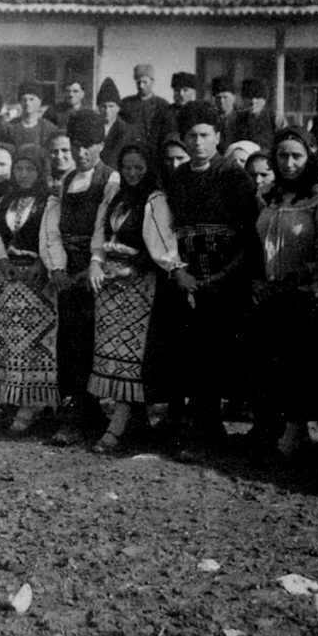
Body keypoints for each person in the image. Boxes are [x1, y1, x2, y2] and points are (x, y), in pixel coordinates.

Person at [157, 107, 260, 452]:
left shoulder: (234, 176)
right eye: (191, 136)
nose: (198, 142)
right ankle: (183, 424)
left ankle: (209, 430)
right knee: (185, 352)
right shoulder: (178, 176)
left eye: (204, 135)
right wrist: (179, 271)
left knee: (214, 355)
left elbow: (248, 236)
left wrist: (221, 277)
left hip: (225, 276)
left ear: (217, 136)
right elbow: (170, 228)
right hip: (186, 274)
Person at [86, 143, 179, 452]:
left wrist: (133, 268)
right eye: (127, 167)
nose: (133, 173)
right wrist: (96, 262)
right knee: (112, 355)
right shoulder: (116, 195)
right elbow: (100, 234)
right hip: (111, 284)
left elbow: (163, 247)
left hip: (140, 285)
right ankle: (132, 424)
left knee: (131, 358)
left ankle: (117, 427)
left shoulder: (155, 200)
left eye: (139, 167)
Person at [254, 128, 318, 459]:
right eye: (283, 156)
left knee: (297, 364)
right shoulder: (267, 196)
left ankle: (295, 430)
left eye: (297, 156)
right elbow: (255, 241)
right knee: (267, 362)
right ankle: (268, 428)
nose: (289, 163)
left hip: (301, 292)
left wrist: (306, 277)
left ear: (308, 158)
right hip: (267, 291)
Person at [0, 145, 62, 431]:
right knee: (6, 342)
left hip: (37, 281)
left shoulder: (49, 202)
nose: (23, 174)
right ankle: (5, 401)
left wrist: (42, 262)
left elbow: (52, 237)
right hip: (7, 279)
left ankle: (32, 405)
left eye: (30, 169)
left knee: (34, 344)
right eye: (19, 169)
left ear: (40, 172)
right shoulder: (5, 201)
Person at [44, 132, 114, 445]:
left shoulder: (110, 179)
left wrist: (95, 264)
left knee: (93, 342)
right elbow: (54, 228)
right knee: (69, 341)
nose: (81, 151)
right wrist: (58, 267)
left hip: (96, 270)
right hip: (69, 270)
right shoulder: (68, 179)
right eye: (77, 145)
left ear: (101, 145)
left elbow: (106, 225)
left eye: (88, 145)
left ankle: (93, 411)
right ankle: (73, 412)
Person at [1, 81, 57, 152]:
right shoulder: (10, 127)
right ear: (20, 102)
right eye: (24, 100)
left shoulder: (49, 128)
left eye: (31, 99)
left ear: (40, 101)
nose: (27, 103)